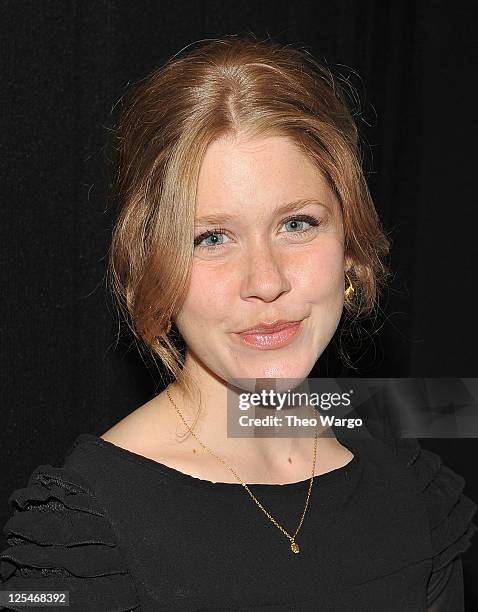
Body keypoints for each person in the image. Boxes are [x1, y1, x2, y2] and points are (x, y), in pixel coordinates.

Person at [1, 34, 476, 612]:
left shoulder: (411, 488)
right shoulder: (79, 538)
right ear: (151, 266)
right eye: (212, 238)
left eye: (297, 224)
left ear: (350, 242)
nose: (266, 280)